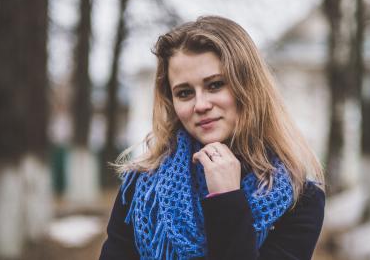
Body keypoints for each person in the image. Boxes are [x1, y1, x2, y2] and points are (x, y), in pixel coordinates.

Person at [99, 16, 325, 260]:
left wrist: (226, 199)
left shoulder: (298, 197)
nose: (201, 104)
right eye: (184, 93)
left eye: (215, 85)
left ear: (247, 86)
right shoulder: (142, 189)